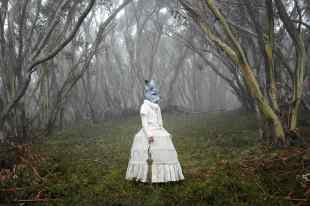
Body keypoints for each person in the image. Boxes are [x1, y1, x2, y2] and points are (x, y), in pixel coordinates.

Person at [126, 80, 184, 183]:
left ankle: (164, 177)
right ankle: (146, 175)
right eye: (152, 94)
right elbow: (144, 124)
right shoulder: (144, 107)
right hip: (149, 131)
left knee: (163, 155)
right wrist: (149, 135)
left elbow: (160, 123)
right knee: (147, 155)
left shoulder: (157, 108)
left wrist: (165, 132)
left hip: (158, 130)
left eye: (156, 94)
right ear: (147, 95)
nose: (155, 97)